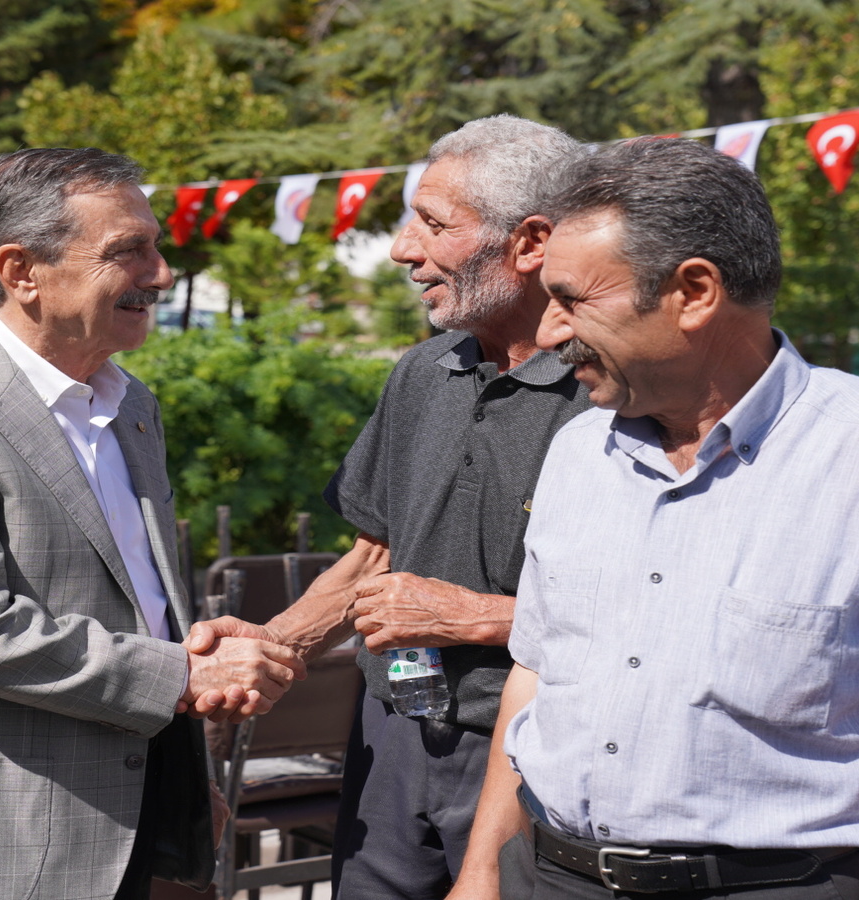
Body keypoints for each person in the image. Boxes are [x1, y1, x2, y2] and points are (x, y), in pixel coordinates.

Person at [451, 137, 859, 900]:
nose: (549, 332)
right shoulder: (578, 452)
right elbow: (536, 673)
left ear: (694, 292)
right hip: (550, 878)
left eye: (573, 300)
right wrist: (481, 872)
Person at [0, 148, 306, 900]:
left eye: (156, 247)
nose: (160, 274)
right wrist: (185, 674)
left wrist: (183, 779)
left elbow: (136, 604)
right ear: (21, 271)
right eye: (127, 251)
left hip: (129, 822)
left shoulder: (130, 405)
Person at [187, 115, 592, 899]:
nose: (405, 249)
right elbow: (375, 557)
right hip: (392, 733)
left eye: (434, 224)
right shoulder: (423, 371)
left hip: (533, 747)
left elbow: (650, 613)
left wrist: (476, 617)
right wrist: (272, 646)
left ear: (531, 243)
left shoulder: (609, 394)